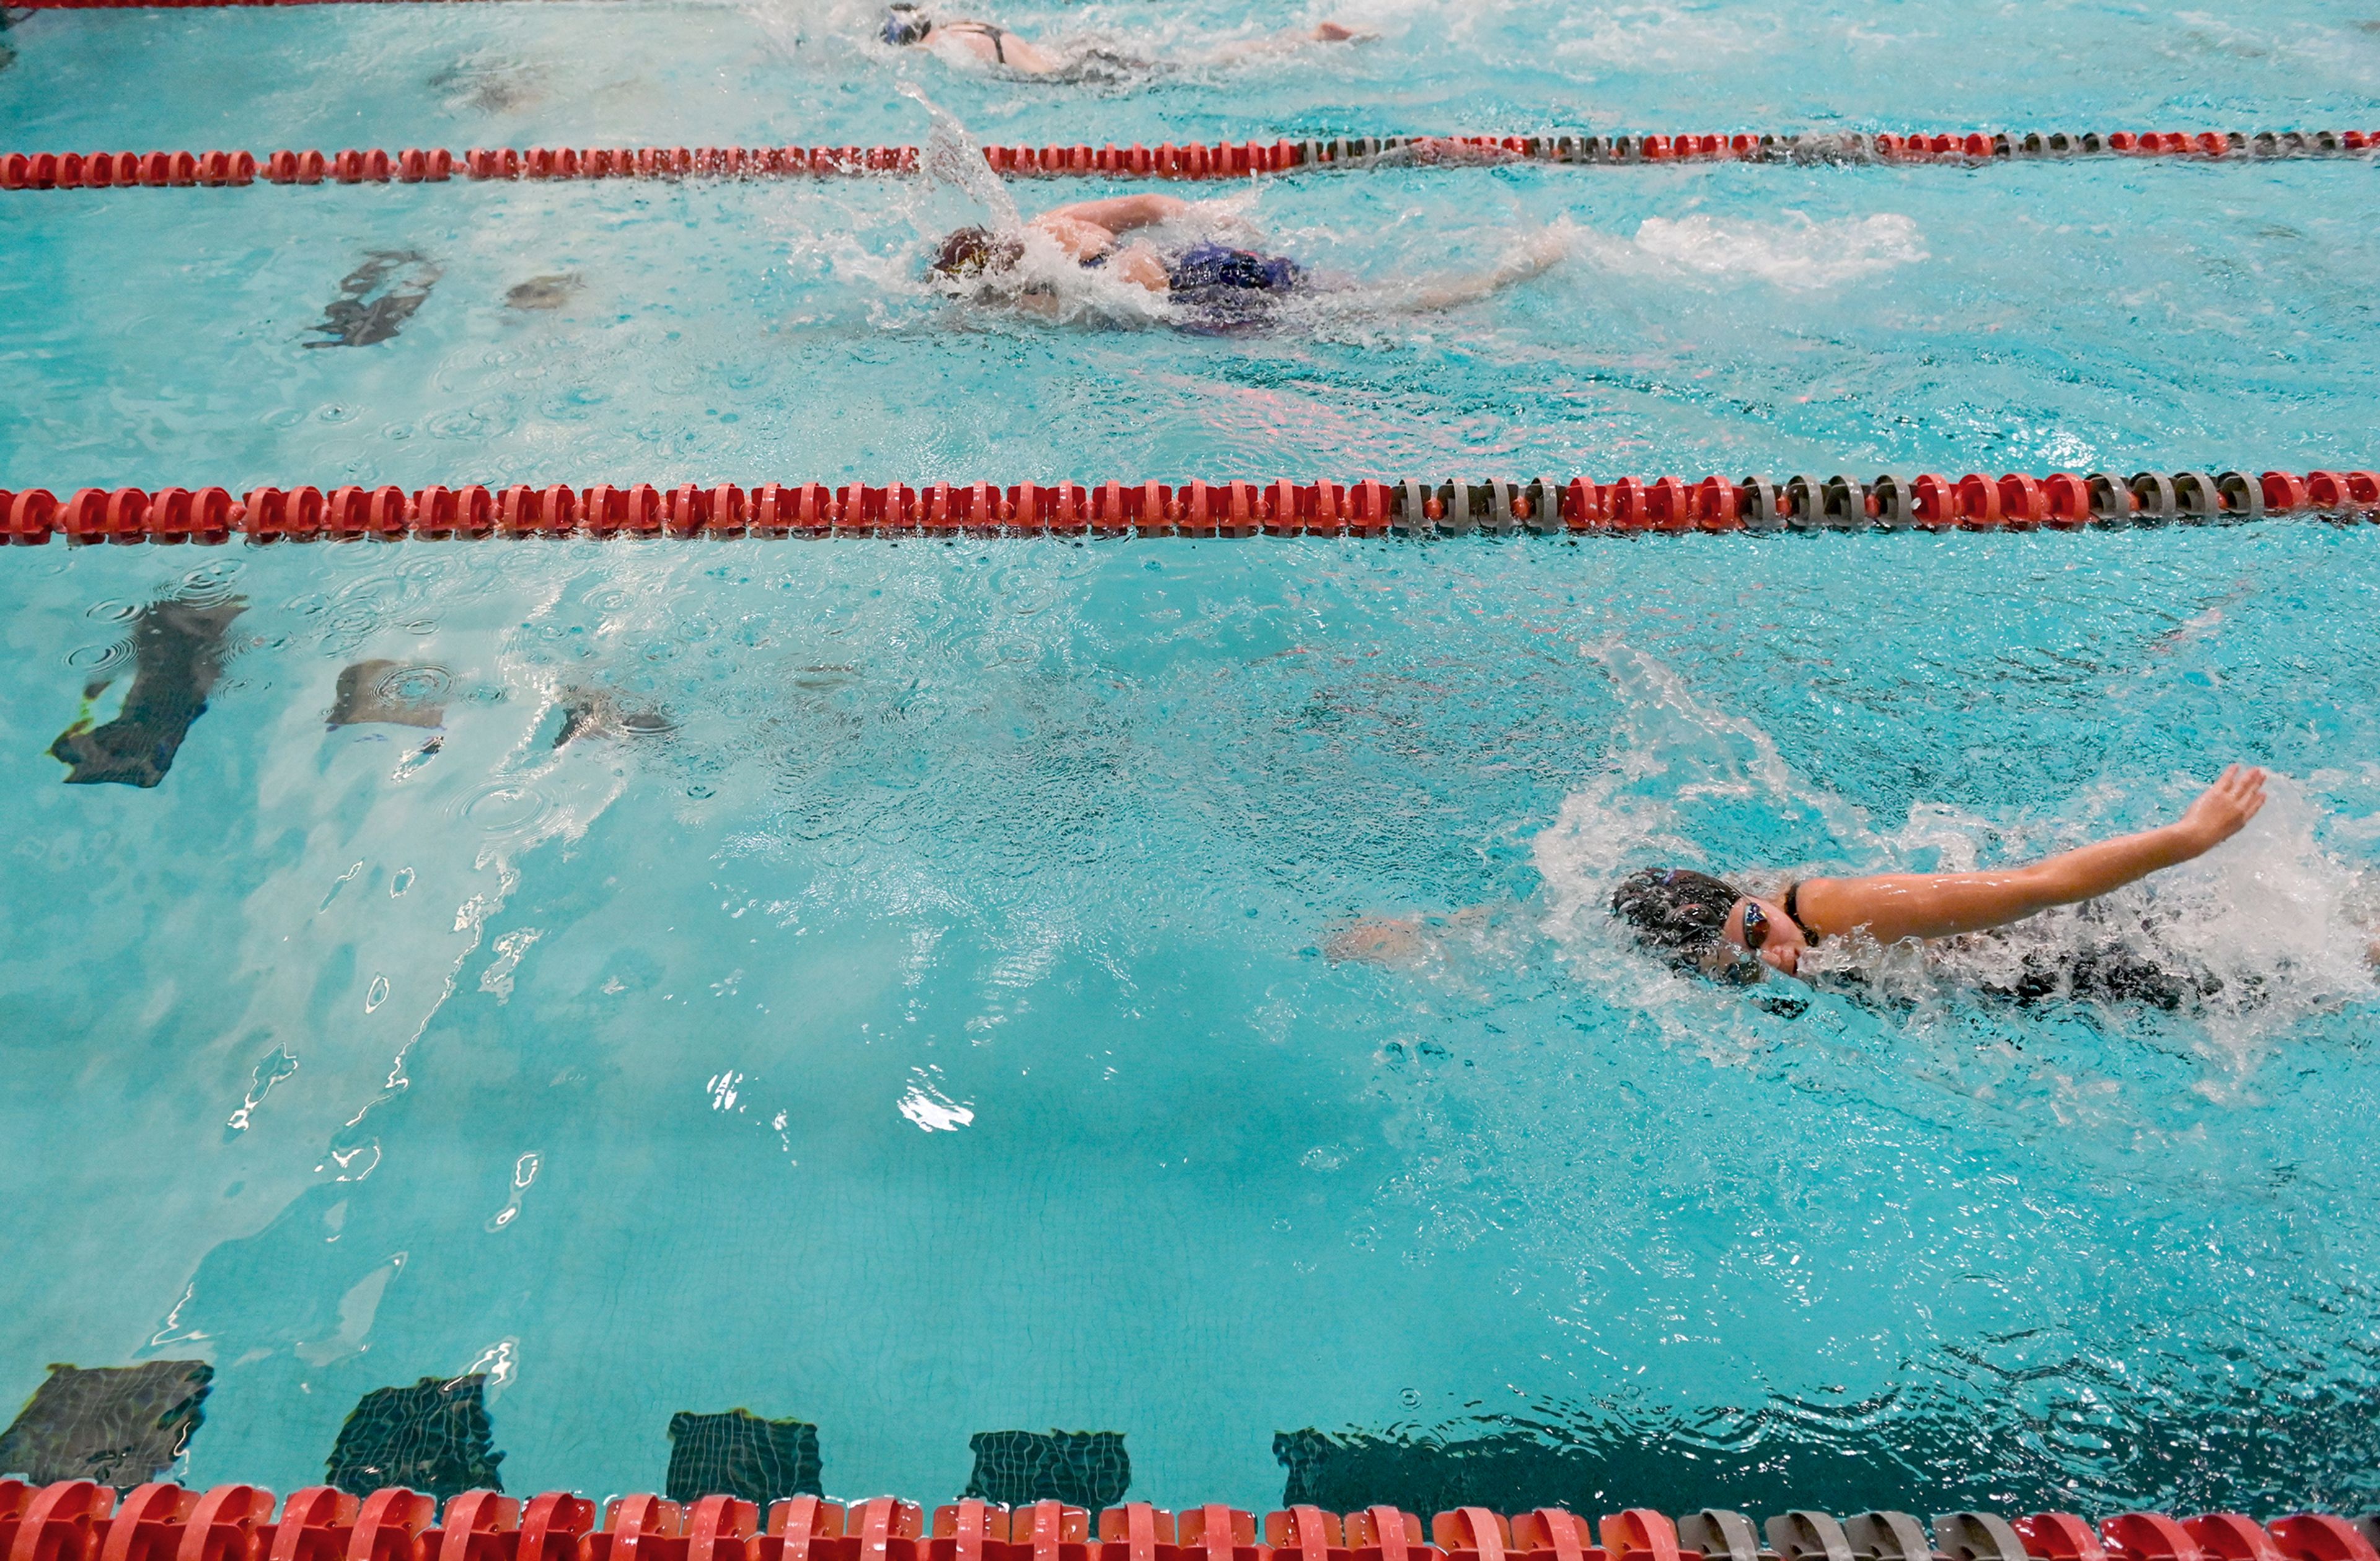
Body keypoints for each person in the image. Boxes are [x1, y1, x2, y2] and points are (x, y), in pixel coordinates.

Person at [1608, 765, 2271, 993]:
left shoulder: (1834, 909)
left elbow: (2039, 884)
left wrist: (2189, 838)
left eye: (1756, 931)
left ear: (1752, 899)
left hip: (2076, 948)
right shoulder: (1777, 938)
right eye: (1735, 968)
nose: (1771, 959)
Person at [929, 191, 1566, 329]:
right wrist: (1210, 214)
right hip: (1208, 258)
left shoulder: (1033, 293)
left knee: (1374, 311)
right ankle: (1497, 275)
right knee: (1358, 294)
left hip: (1204, 297)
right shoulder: (1051, 224)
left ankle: (1497, 280)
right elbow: (1148, 202)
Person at [879, 3, 1373, 76]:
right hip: (1075, 51)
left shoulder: (938, 49)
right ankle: (1303, 38)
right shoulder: (963, 23)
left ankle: (1307, 41)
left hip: (1070, 75)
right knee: (1187, 59)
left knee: (1190, 70)